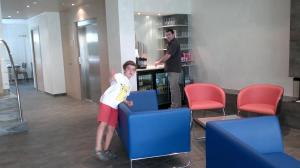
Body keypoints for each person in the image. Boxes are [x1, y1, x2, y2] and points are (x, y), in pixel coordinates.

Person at [95, 60, 136, 161]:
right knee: (103, 124)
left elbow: (122, 97)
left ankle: (106, 150)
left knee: (112, 128)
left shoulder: (129, 85)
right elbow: (111, 80)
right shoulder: (120, 76)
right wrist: (112, 75)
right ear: (124, 70)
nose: (131, 71)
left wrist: (128, 102)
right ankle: (98, 150)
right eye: (129, 69)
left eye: (133, 70)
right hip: (106, 102)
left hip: (114, 106)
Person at [155, 28, 182, 108]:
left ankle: (175, 106)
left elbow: (168, 56)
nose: (167, 36)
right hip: (172, 69)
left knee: (174, 89)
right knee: (174, 88)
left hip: (174, 69)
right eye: (166, 35)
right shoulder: (170, 43)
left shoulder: (174, 43)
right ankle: (176, 106)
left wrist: (158, 62)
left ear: (173, 34)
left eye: (169, 34)